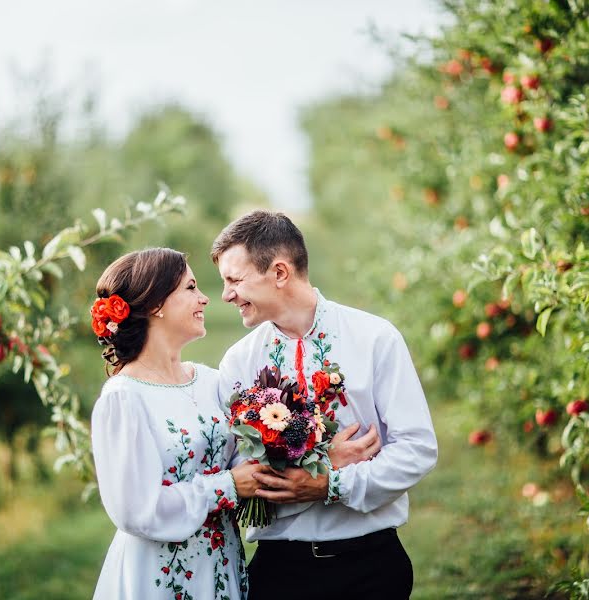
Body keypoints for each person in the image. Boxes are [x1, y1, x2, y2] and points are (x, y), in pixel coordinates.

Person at [213, 211, 438, 600]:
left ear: (280, 273)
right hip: (280, 572)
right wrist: (325, 463)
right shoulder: (239, 362)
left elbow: (417, 450)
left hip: (372, 567)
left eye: (235, 280)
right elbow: (235, 474)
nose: (226, 294)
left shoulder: (375, 339)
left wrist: (332, 485)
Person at [90, 248, 265, 600]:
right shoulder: (123, 398)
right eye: (190, 288)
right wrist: (228, 486)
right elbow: (137, 510)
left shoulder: (210, 381)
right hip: (160, 576)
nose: (204, 299)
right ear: (156, 304)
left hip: (220, 563)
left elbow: (246, 455)